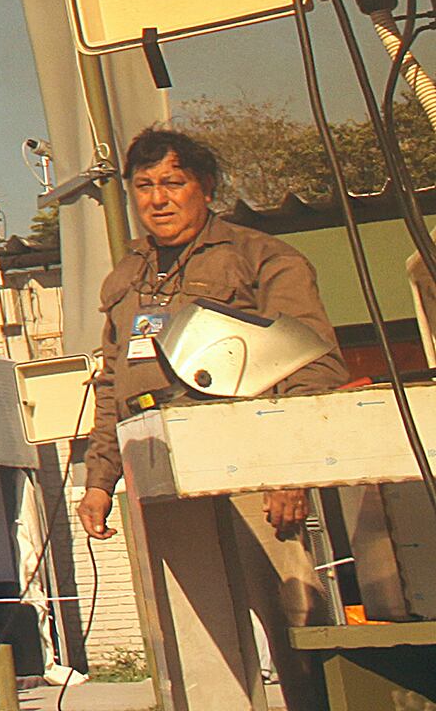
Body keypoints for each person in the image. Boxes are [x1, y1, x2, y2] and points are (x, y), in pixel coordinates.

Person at [75, 126, 348, 707]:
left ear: (207, 187)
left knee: (297, 620)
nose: (158, 198)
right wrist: (99, 481)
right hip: (160, 470)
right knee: (191, 643)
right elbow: (111, 384)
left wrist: (288, 470)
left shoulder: (260, 256)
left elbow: (313, 364)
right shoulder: (126, 277)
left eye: (173, 182)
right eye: (143, 186)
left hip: (251, 464)